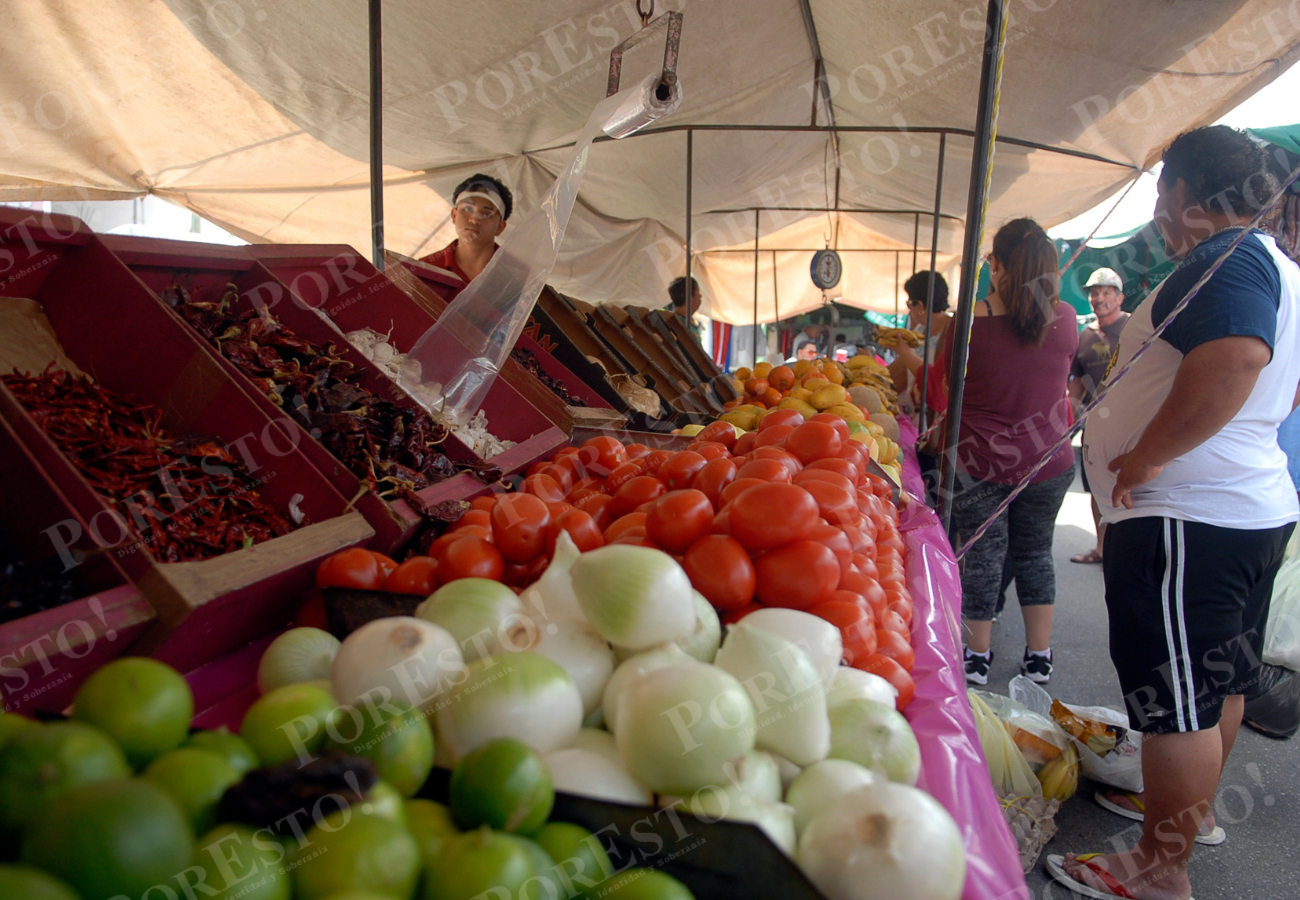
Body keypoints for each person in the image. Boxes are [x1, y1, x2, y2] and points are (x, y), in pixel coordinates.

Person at [1058, 126, 1300, 900]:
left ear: (1188, 193)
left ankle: (1163, 868)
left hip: (1188, 516)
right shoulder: (1279, 268)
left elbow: (1236, 359)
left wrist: (1149, 454)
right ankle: (1191, 825)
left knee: (1174, 702)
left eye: (1162, 190)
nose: (1158, 208)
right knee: (1217, 685)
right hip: (1241, 508)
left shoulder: (1227, 260)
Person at [932, 219, 1077, 687]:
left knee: (983, 556)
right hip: (1048, 461)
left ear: (995, 265)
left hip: (980, 465)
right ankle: (1040, 657)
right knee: (1037, 554)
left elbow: (942, 389)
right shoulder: (1068, 319)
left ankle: (976, 657)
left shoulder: (970, 323)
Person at [1068, 267, 1131, 564]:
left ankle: (1134, 552)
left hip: (1132, 419)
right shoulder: (1085, 335)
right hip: (1095, 423)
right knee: (1096, 484)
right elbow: (1078, 382)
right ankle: (1102, 548)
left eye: (1106, 292)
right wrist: (1067, 418)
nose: (1099, 298)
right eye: (1094, 292)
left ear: (1120, 297)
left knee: (1133, 482)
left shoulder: (1135, 327)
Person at [421, 173, 513, 284]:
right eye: (468, 209)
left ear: (500, 227)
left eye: (486, 214)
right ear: (454, 215)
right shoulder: (424, 269)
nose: (474, 220)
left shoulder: (518, 276)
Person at [890, 270, 952, 396]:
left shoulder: (953, 332)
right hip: (914, 409)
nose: (909, 310)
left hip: (936, 410)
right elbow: (899, 367)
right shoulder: (919, 331)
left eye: (909, 304)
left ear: (919, 305)